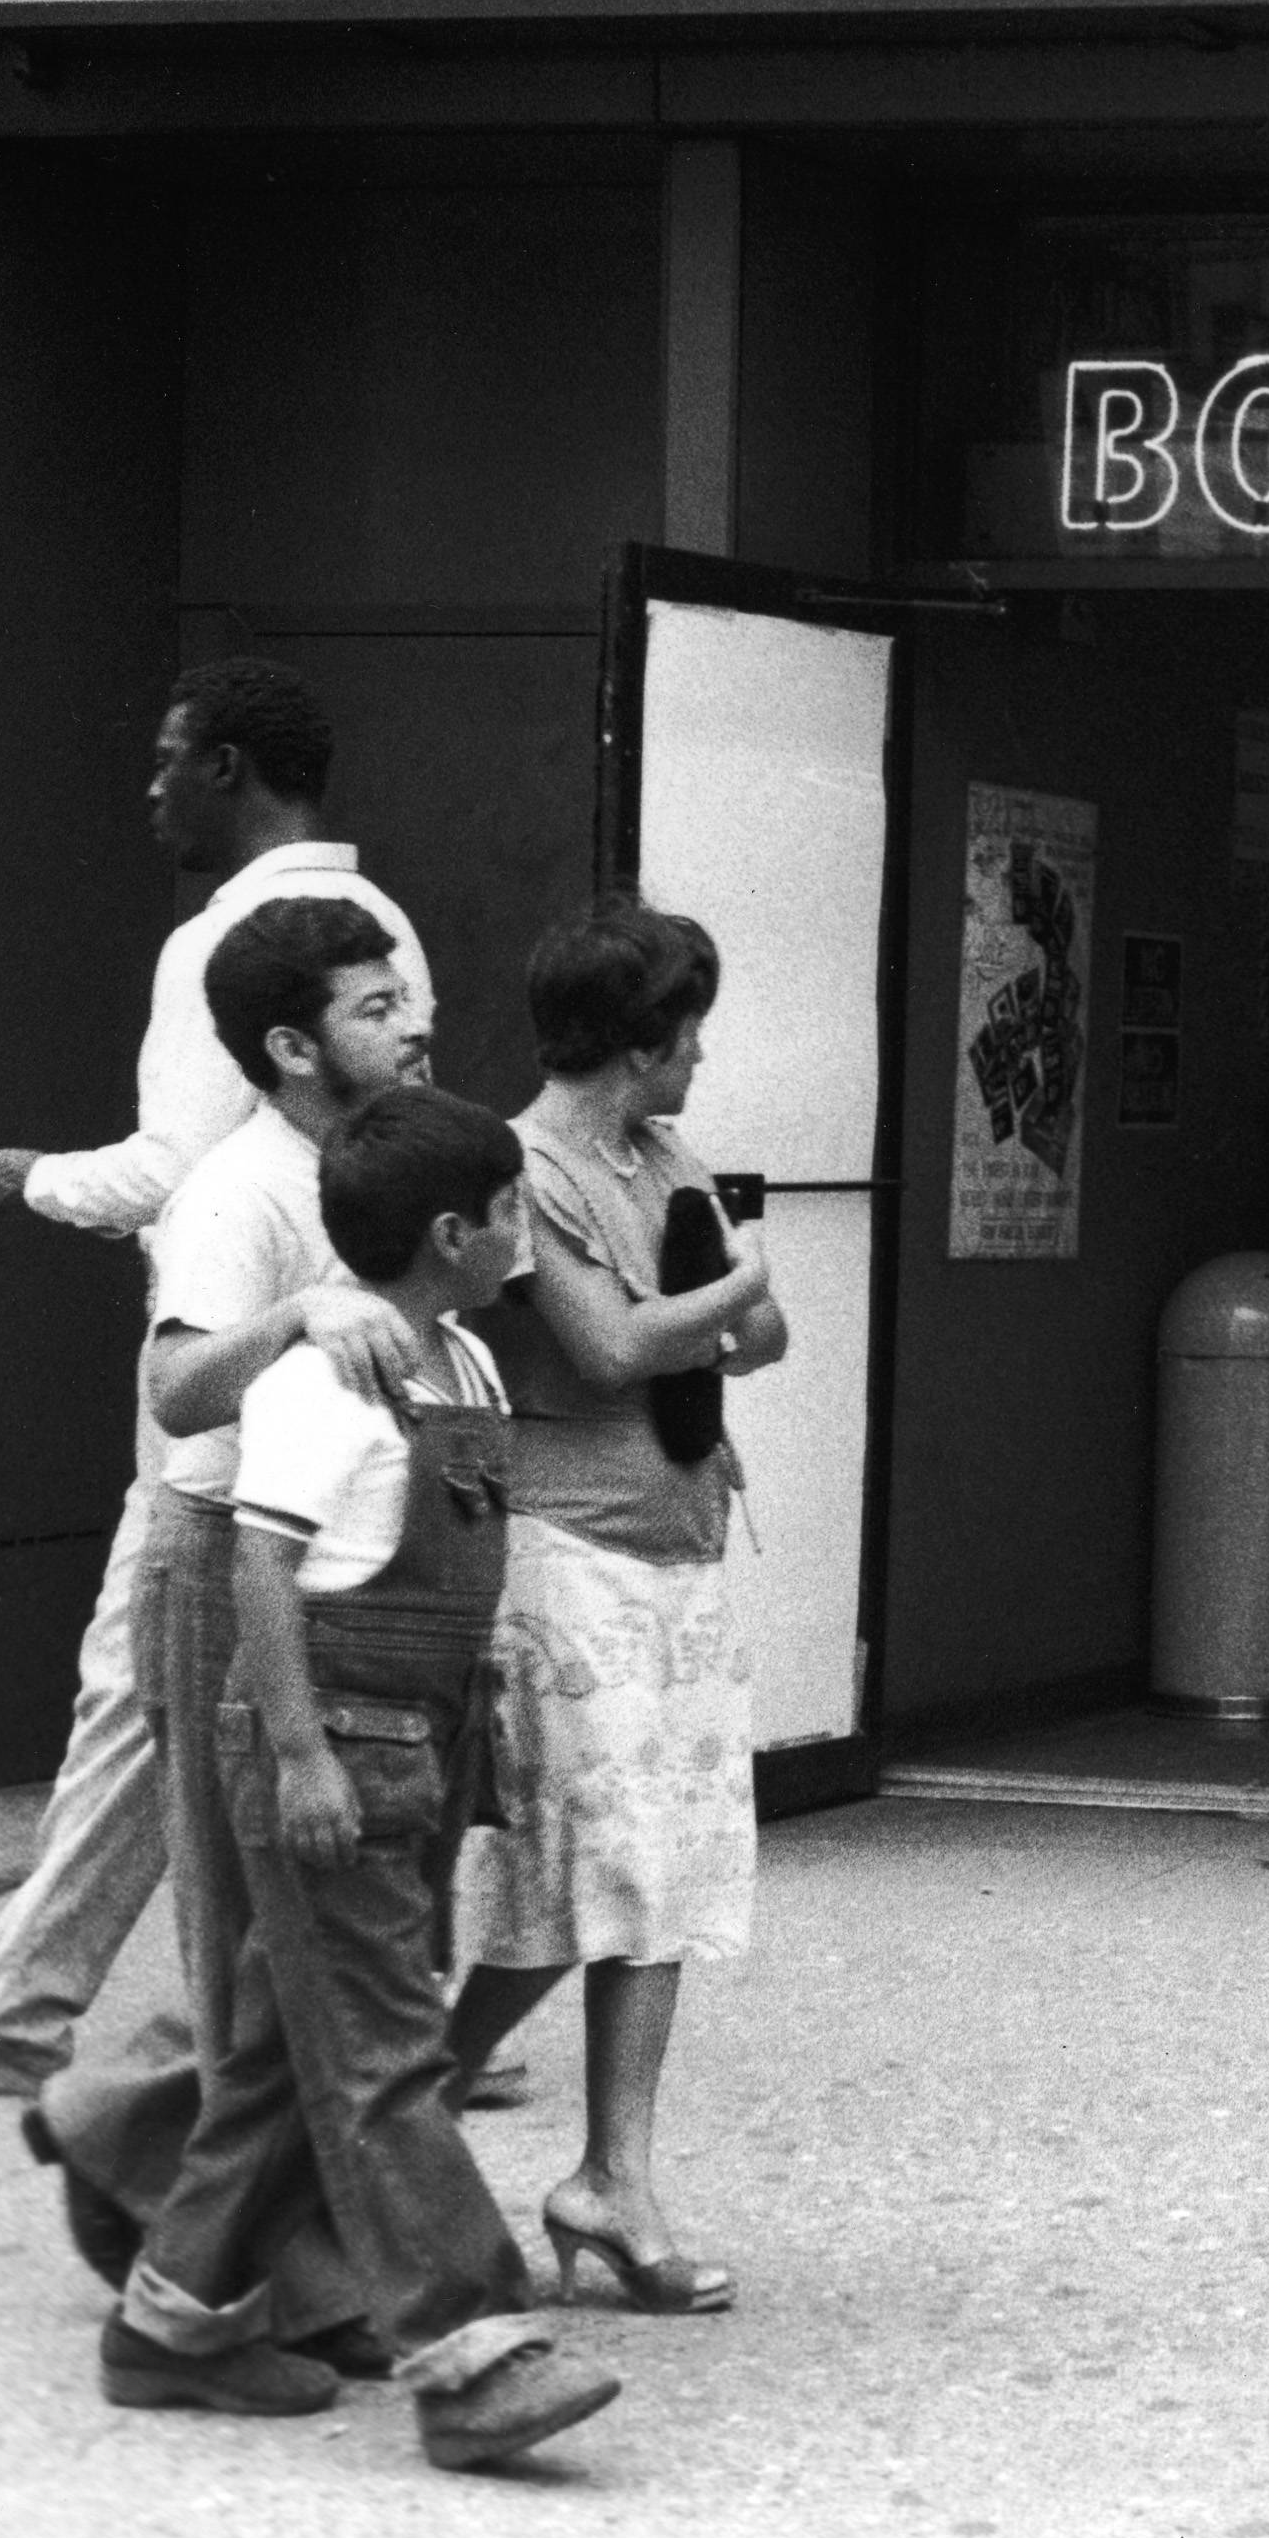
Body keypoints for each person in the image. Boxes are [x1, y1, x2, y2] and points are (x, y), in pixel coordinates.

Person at [0, 660, 434, 2095]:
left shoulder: (217, 942)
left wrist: (30, 1178)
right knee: (324, 1681)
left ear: (227, 767)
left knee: (141, 1683)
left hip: (228, 1366)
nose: (152, 786)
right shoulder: (388, 933)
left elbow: (173, 1172)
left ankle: (19, 2012)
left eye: (171, 758)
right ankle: (378, 2003)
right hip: (364, 1361)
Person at [104, 1086, 621, 2472]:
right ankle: (473, 2353)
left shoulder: (468, 1362)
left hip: (417, 1748)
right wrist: (297, 1758)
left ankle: (170, 2323)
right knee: (389, 2054)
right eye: (512, 1210)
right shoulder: (325, 1379)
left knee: (286, 2059)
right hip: (333, 1747)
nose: (524, 1231)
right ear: (456, 1233)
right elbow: (262, 1568)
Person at [28, 897, 437, 2351]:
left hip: (352, 1573)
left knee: (317, 1950)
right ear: (292, 1046)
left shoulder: (385, 1167)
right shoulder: (239, 1189)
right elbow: (179, 1390)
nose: (415, 1025)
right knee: (248, 1938)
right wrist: (300, 1319)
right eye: (377, 1008)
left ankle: (126, 2130)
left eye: (407, 998)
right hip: (222, 1564)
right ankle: (263, 2272)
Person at [444, 900, 783, 2317]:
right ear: (638, 1045)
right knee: (574, 1865)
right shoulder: (525, 1171)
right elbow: (604, 1346)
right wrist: (730, 1289)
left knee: (663, 1877)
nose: (702, 1055)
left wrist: (716, 1310)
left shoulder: (663, 1155)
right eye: (688, 1032)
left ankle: (614, 2180)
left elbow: (757, 1340)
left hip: (676, 1544)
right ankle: (404, 2100)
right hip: (566, 1550)